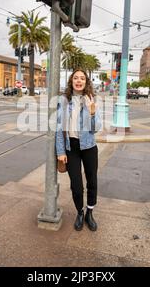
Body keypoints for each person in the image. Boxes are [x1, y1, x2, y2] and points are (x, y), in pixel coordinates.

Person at [56, 69, 102, 232]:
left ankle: (90, 212)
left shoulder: (92, 99)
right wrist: (60, 151)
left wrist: (92, 111)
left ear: (86, 82)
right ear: (71, 81)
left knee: (92, 182)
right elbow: (59, 128)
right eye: (76, 78)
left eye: (82, 78)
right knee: (76, 185)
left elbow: (96, 128)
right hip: (71, 147)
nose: (79, 80)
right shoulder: (63, 101)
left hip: (89, 147)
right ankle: (80, 212)